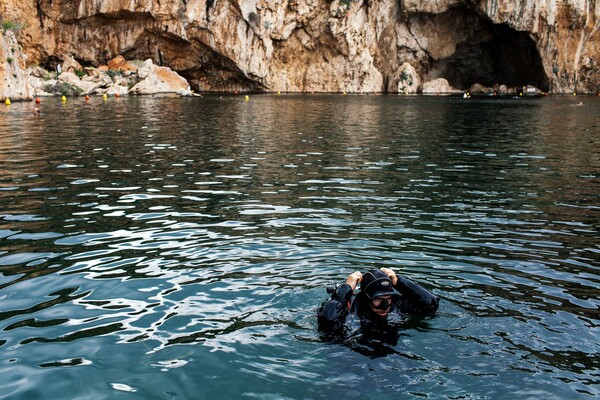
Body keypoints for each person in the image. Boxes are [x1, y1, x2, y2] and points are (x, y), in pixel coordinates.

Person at [317, 268, 439, 334]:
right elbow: (327, 323)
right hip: (354, 356)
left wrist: (399, 282)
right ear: (365, 297)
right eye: (378, 299)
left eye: (388, 298)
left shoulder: (395, 304)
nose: (385, 306)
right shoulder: (350, 308)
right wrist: (345, 289)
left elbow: (431, 305)